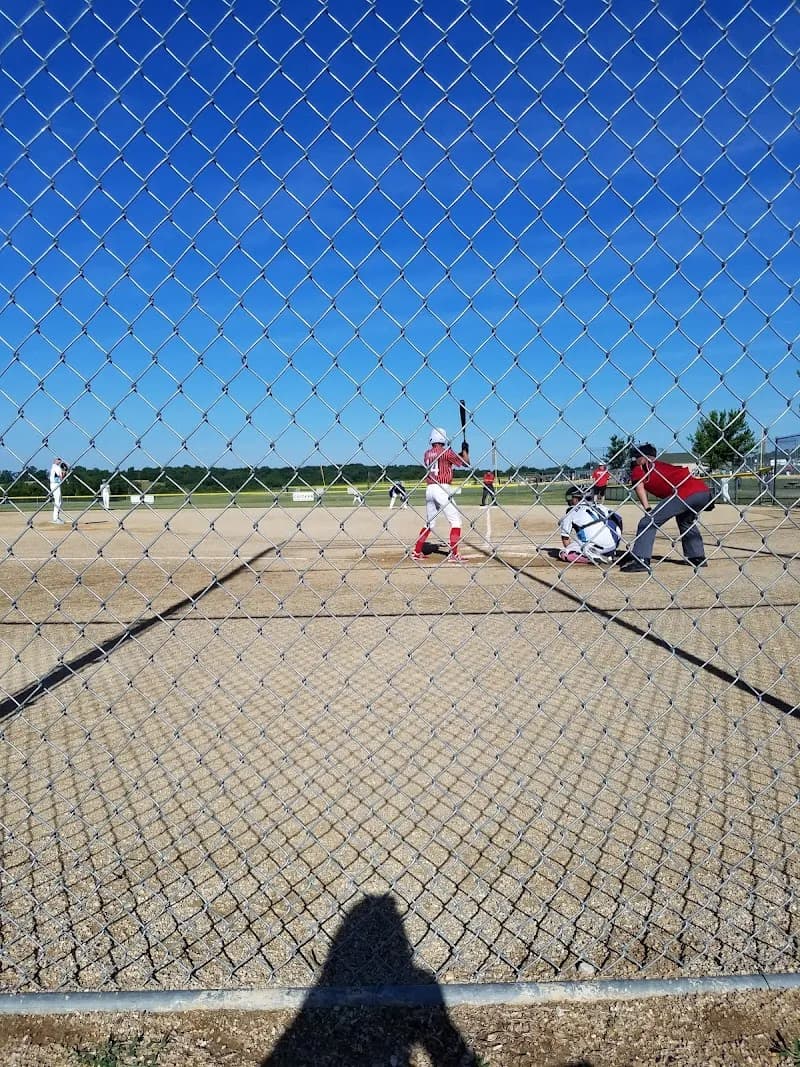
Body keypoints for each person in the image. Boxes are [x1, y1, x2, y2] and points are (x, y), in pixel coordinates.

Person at [619, 443, 713, 573]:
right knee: (685, 521)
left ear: (644, 457)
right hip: (703, 491)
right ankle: (697, 557)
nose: (634, 460)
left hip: (684, 493)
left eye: (636, 457)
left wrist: (647, 509)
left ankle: (641, 559)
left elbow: (639, 486)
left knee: (648, 522)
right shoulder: (662, 465)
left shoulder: (641, 467)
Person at [412, 427, 470, 563]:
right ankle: (454, 554)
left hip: (429, 489)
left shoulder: (427, 453)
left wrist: (461, 452)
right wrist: (465, 450)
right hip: (442, 488)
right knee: (456, 521)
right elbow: (465, 462)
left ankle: (416, 551)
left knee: (429, 523)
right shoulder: (447, 452)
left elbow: (446, 459)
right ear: (443, 439)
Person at [559, 485, 623, 564]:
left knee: (564, 553)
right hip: (612, 546)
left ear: (577, 499)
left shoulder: (571, 512)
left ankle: (590, 557)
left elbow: (565, 537)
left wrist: (570, 548)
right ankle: (608, 553)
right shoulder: (601, 506)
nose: (569, 500)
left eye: (571, 497)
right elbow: (619, 520)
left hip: (593, 545)